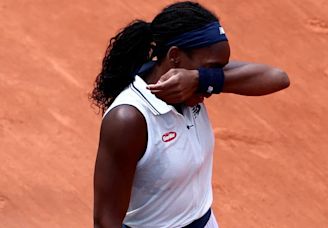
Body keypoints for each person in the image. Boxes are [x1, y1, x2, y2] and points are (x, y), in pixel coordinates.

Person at [91, 1, 290, 228]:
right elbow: (105, 221)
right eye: (210, 68)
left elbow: (278, 77)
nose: (214, 78)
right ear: (174, 56)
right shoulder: (129, 119)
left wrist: (201, 78)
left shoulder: (197, 85)